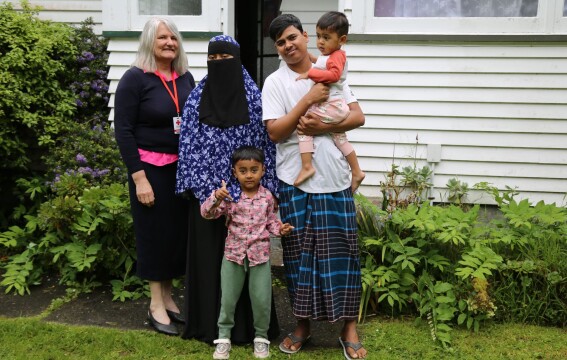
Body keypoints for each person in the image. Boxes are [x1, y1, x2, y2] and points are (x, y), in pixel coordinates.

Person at [262, 14, 368, 360]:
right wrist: (307, 100)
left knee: (343, 252)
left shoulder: (331, 66)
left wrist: (322, 128)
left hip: (335, 176)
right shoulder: (275, 83)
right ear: (276, 48)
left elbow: (357, 116)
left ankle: (348, 326)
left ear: (306, 36)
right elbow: (275, 132)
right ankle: (303, 325)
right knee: (299, 257)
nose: (288, 45)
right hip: (295, 177)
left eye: (293, 37)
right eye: (280, 42)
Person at [175, 35, 280, 345]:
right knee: (211, 264)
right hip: (209, 198)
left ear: (237, 59)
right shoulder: (196, 98)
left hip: (248, 197)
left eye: (226, 58)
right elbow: (188, 146)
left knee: (252, 267)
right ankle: (210, 328)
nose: (220, 64)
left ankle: (250, 330)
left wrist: (267, 189)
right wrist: (201, 190)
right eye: (214, 58)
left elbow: (266, 148)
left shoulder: (254, 98)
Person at [114, 18, 195, 336]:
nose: (169, 42)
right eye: (162, 37)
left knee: (175, 237)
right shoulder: (135, 79)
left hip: (180, 171)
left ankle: (169, 297)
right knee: (154, 237)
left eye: (174, 37)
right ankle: (154, 304)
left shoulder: (184, 77)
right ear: (150, 41)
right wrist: (139, 178)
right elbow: (123, 131)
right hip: (149, 171)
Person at [200, 146, 294, 359]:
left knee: (261, 300)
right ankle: (223, 338)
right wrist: (216, 196)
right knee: (228, 299)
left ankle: (261, 338)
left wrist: (281, 229)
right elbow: (206, 214)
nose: (249, 175)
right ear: (235, 172)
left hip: (259, 257)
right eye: (243, 170)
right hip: (233, 256)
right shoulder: (229, 196)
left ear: (262, 170)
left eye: (254, 169)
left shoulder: (268, 197)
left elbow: (270, 222)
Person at [294, 11, 365, 192]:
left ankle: (307, 166)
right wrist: (311, 58)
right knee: (339, 137)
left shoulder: (339, 55)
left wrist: (310, 72)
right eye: (318, 36)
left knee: (304, 124)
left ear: (341, 40)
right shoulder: (332, 56)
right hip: (336, 107)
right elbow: (326, 64)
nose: (320, 42)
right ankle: (357, 171)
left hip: (332, 105)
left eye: (326, 37)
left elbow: (333, 74)